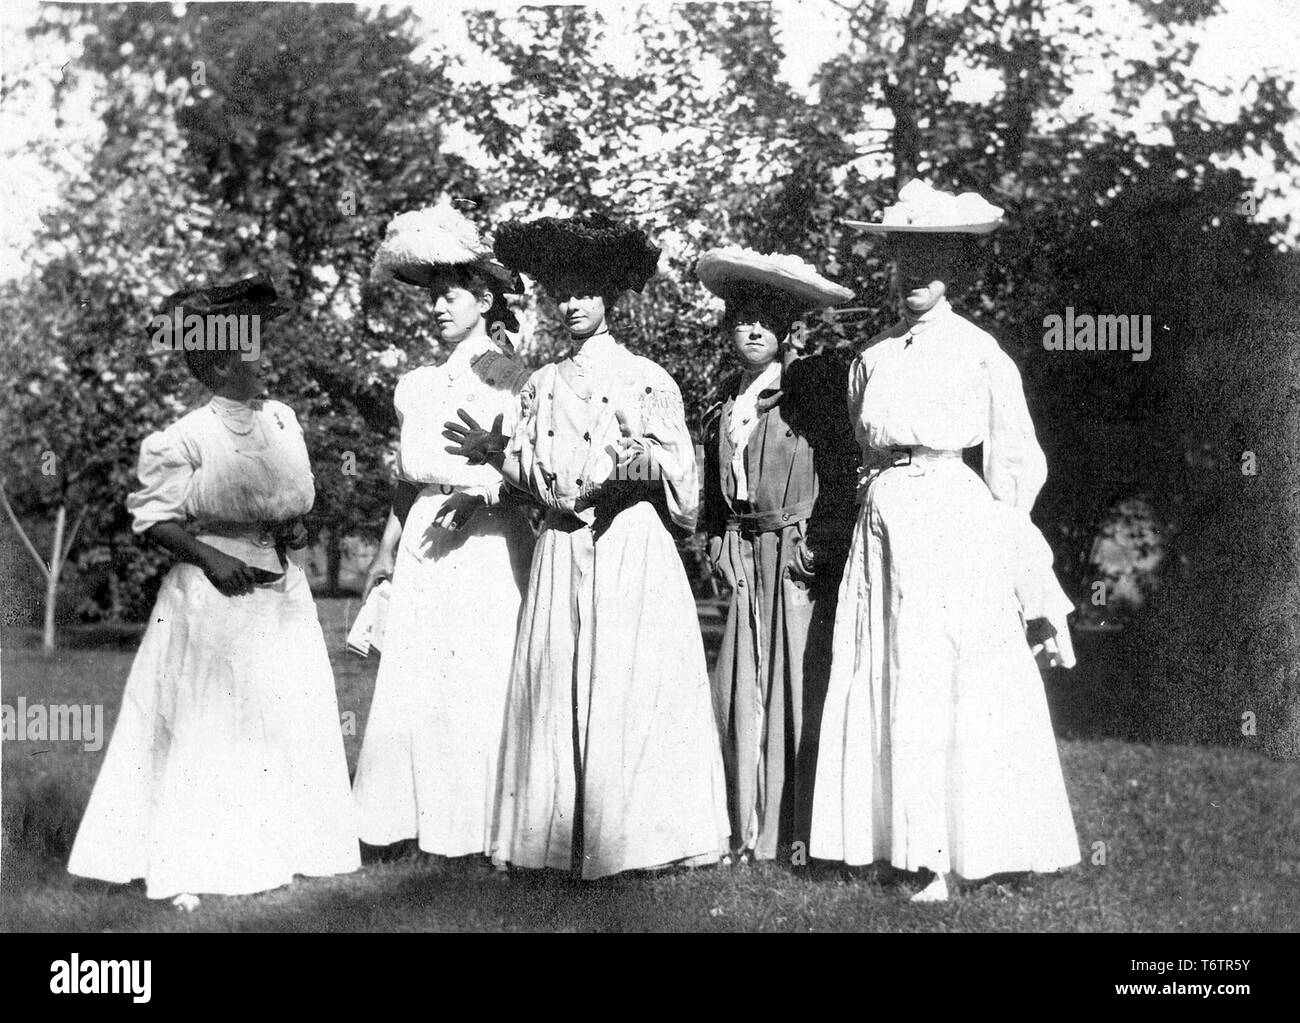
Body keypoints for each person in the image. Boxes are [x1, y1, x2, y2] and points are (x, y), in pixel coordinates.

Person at [811, 181, 1081, 902]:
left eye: (930, 261)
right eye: (902, 259)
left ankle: (949, 852)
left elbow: (1014, 466)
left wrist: (1029, 572)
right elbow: (864, 451)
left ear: (957, 271)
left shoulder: (980, 353)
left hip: (952, 517)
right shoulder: (869, 359)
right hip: (885, 517)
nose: (913, 276)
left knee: (944, 673)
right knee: (883, 665)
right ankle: (883, 841)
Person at [443, 213, 730, 879]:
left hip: (629, 542)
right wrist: (499, 455)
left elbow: (680, 471)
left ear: (611, 298)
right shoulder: (539, 383)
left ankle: (640, 836)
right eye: (561, 291)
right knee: (556, 675)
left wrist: (633, 471)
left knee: (629, 678)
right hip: (564, 544)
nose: (571, 303)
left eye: (585, 291)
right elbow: (534, 471)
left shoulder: (648, 378)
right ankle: (557, 838)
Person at [67, 273, 359, 908]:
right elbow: (153, 519)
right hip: (215, 586)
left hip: (282, 583)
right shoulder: (183, 437)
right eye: (249, 348)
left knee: (281, 713)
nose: (262, 358)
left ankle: (286, 846)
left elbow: (290, 495)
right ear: (221, 363)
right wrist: (210, 559)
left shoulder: (281, 419)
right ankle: (195, 861)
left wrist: (295, 524)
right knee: (215, 716)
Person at [352, 202, 535, 865]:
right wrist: (383, 552)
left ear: (483, 298)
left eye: (450, 294)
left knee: (475, 678)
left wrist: (481, 490)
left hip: (486, 536)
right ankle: (401, 821)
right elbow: (407, 479)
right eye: (430, 296)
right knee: (417, 678)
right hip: (428, 534)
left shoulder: (509, 374)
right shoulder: (419, 383)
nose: (436, 307)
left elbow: (530, 468)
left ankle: (477, 828)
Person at [696, 247, 859, 865]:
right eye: (742, 317)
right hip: (743, 552)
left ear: (788, 327)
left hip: (795, 553)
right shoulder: (722, 406)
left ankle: (797, 829)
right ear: (728, 325)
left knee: (796, 681)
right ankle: (740, 826)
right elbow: (715, 492)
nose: (754, 328)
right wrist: (716, 539)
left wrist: (822, 538)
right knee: (740, 682)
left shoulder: (810, 388)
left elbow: (844, 468)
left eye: (768, 317)